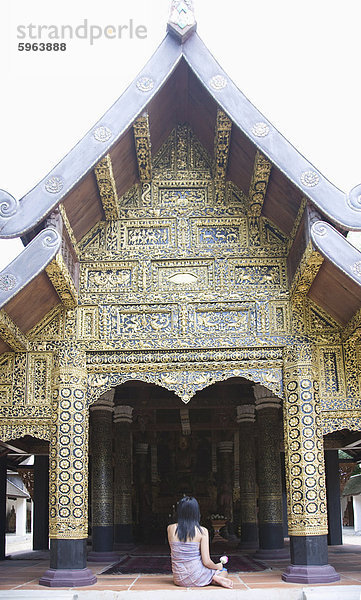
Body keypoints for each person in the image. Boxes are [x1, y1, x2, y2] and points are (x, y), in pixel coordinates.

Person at [167, 496, 233, 588]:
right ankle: (214, 578)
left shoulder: (170, 528)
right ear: (196, 512)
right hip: (198, 576)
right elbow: (206, 562)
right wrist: (218, 566)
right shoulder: (202, 531)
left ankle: (213, 578)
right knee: (224, 570)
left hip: (179, 579)